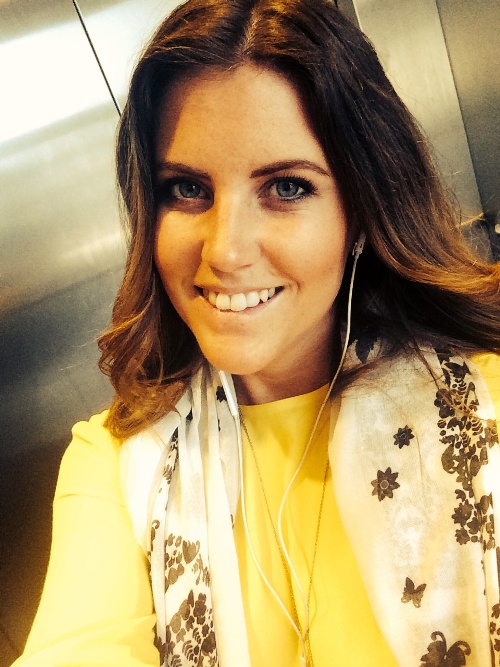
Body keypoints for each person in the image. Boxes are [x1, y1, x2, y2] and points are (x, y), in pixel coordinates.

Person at [12, 0, 500, 666]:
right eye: (187, 188)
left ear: (361, 209)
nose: (225, 251)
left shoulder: (485, 406)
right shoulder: (116, 462)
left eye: (287, 188)